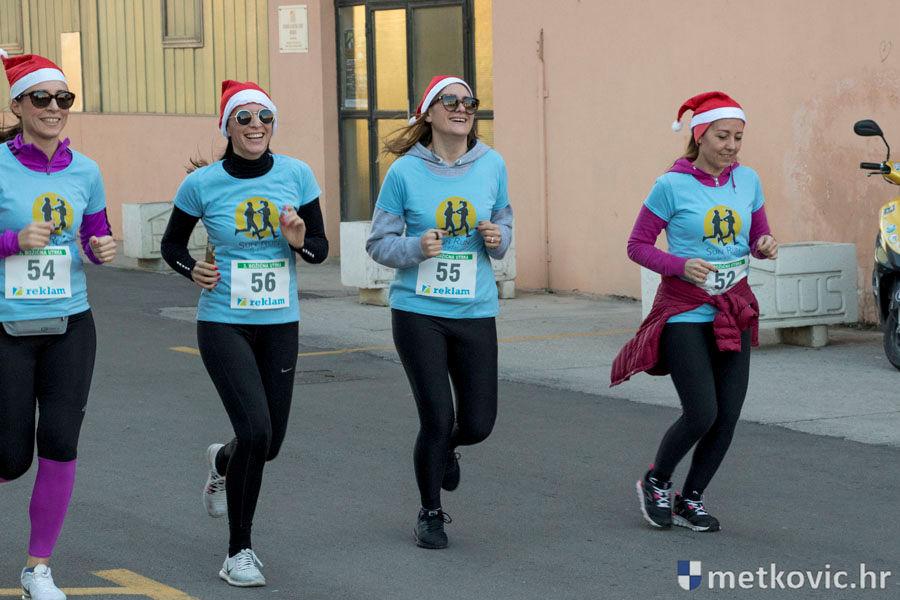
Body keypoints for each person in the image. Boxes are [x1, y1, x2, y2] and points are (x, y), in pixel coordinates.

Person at [160, 80, 327, 586]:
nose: (257, 126)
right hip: (223, 321)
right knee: (255, 430)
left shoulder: (297, 174)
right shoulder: (202, 184)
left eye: (265, 117)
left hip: (279, 323)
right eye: (245, 117)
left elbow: (319, 250)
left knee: (267, 443)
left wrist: (298, 241)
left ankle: (222, 460)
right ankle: (239, 551)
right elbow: (172, 245)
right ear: (227, 126)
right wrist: (192, 268)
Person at [610, 91, 778, 533]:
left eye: (738, 137)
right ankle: (657, 481)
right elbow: (637, 246)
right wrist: (680, 265)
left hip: (733, 309)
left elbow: (757, 237)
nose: (731, 146)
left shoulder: (749, 181)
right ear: (700, 136)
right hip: (685, 310)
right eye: (722, 136)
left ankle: (692, 499)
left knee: (728, 415)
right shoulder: (671, 185)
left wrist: (764, 245)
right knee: (702, 411)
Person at [366, 75, 513, 549]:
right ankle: (430, 512)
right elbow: (378, 243)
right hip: (418, 312)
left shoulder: (492, 164)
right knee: (436, 416)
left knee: (478, 424)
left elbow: (505, 222)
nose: (462, 108)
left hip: (475, 309)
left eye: (469, 101)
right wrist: (415, 246)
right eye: (450, 101)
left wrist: (499, 239)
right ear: (428, 113)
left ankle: (448, 447)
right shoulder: (404, 173)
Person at [0, 50, 116, 600]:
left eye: (63, 98)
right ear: (18, 106)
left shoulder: (86, 170)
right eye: (41, 98)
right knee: (10, 457)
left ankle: (38, 569)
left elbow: (94, 235)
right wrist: (12, 241)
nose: (54, 107)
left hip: (70, 323)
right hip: (7, 327)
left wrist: (100, 249)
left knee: (60, 442)